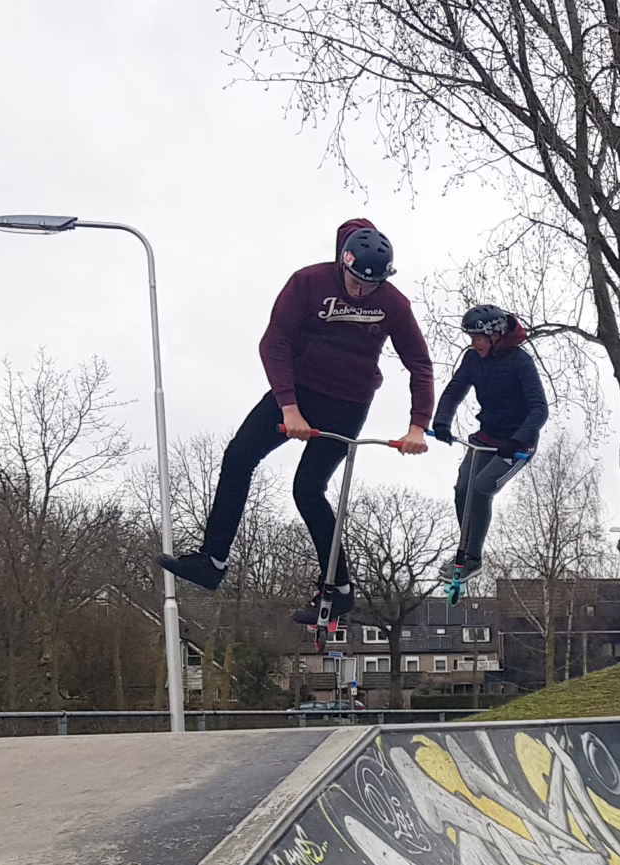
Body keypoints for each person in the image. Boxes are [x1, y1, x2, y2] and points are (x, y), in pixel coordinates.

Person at [159, 218, 435, 625]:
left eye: (371, 286)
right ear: (344, 262)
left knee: (308, 489)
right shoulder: (308, 283)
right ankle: (212, 560)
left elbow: (420, 365)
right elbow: (275, 343)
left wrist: (418, 426)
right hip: (299, 389)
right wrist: (289, 407)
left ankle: (338, 588)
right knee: (238, 457)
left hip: (348, 402)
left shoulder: (393, 303)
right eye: (357, 281)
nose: (361, 292)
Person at [429, 304, 549, 589]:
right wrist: (442, 422)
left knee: (482, 488)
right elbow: (453, 391)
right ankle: (467, 552)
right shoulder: (473, 360)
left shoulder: (521, 362)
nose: (474, 344)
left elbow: (539, 409)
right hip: (486, 438)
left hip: (517, 445)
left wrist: (518, 440)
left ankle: (472, 557)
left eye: (478, 338)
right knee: (462, 489)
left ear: (495, 335)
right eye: (471, 338)